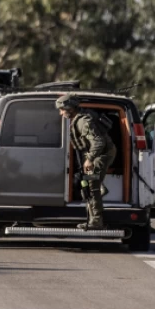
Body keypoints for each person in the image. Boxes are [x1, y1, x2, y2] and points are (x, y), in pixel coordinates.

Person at [56, 94, 116, 230]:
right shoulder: (80, 117)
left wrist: (89, 159)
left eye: (62, 109)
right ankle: (92, 217)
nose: (60, 113)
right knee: (88, 184)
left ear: (69, 108)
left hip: (101, 154)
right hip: (97, 154)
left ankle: (96, 221)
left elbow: (99, 143)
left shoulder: (83, 122)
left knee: (91, 185)